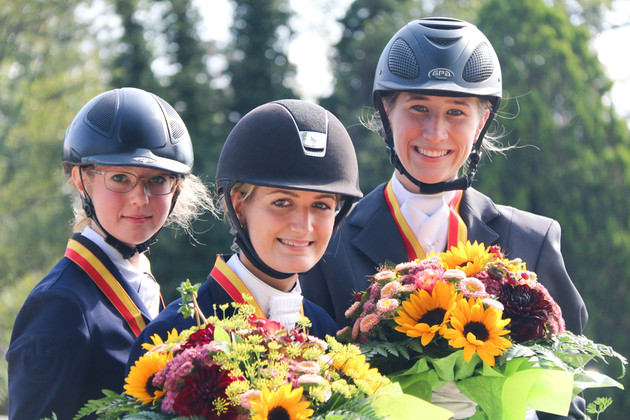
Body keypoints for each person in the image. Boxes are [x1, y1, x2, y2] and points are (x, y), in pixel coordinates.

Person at [300, 17, 587, 419]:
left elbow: (567, 398)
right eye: (419, 108)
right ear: (387, 110)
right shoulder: (330, 242)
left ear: (482, 121)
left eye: (456, 111)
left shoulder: (532, 241)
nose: (435, 133)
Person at [6, 87, 215, 420]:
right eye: (120, 178)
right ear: (82, 180)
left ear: (175, 188)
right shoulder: (60, 304)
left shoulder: (140, 280)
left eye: (158, 180)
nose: (140, 198)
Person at [127, 99, 363, 367]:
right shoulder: (172, 338)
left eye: (321, 205)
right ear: (239, 206)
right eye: (282, 202)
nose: (304, 225)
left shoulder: (326, 332)